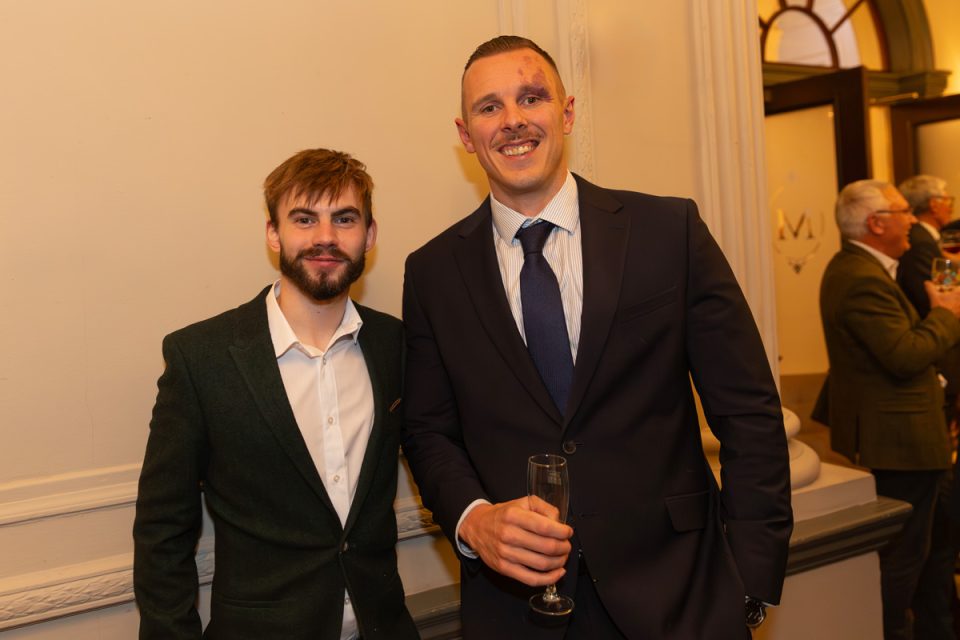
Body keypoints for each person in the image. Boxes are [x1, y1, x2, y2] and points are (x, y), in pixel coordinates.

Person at [402, 35, 792, 639]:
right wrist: (473, 520)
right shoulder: (432, 272)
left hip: (682, 598)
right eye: (489, 107)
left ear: (566, 112)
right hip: (517, 611)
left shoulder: (669, 232)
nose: (512, 120)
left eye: (531, 98)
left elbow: (748, 411)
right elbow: (428, 432)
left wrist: (750, 580)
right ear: (466, 133)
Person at [133, 149, 419, 640]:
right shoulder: (201, 358)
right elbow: (163, 531)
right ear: (273, 233)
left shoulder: (397, 344)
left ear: (369, 235)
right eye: (304, 219)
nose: (325, 237)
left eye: (344, 219)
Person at [818, 179, 960, 640]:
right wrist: (946, 313)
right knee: (904, 558)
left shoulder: (868, 269)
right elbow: (904, 355)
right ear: (876, 223)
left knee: (927, 551)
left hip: (911, 434)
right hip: (901, 441)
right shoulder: (859, 277)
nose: (913, 220)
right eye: (904, 212)